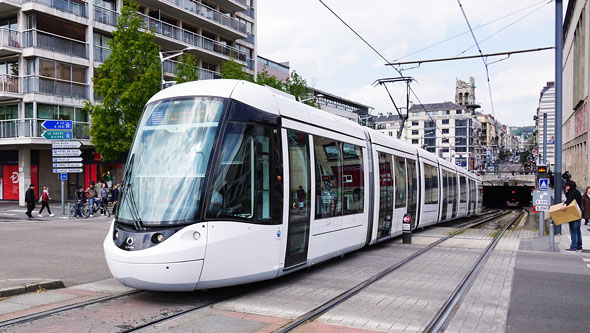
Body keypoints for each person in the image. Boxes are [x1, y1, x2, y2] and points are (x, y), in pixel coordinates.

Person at [562, 180, 583, 251]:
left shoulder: (571, 192)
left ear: (569, 186)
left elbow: (569, 200)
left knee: (573, 230)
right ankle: (579, 246)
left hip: (573, 214)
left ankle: (573, 246)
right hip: (579, 213)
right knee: (578, 231)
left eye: (567, 186)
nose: (566, 187)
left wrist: (565, 205)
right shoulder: (578, 192)